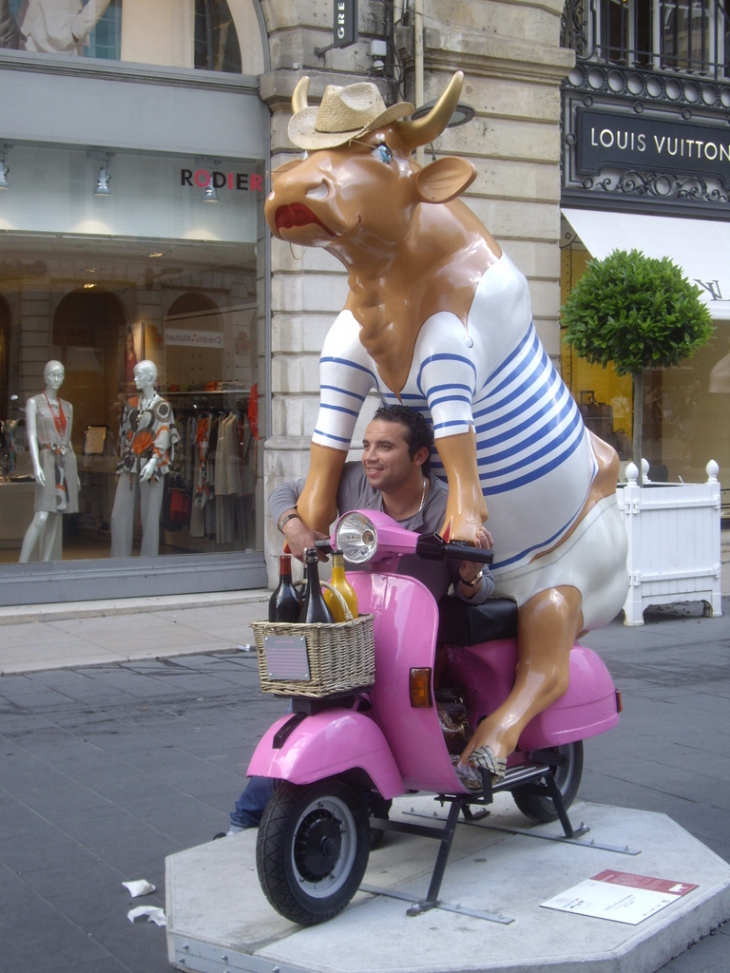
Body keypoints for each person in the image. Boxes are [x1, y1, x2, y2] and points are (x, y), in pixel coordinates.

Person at [224, 405, 493, 834]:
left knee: (382, 712)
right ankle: (250, 817)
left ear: (419, 456)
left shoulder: (446, 504)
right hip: (348, 632)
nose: (370, 456)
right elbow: (286, 490)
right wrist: (293, 526)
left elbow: (481, 583)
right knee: (310, 707)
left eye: (385, 446)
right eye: (366, 445)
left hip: (410, 639)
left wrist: (469, 576)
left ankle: (359, 805)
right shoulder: (352, 482)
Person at [110, 360, 178, 558]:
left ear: (150, 378)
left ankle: (148, 562)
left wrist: (154, 460)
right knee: (118, 515)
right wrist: (120, 465)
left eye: (138, 375)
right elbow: (124, 436)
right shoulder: (130, 404)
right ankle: (119, 561)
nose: (134, 379)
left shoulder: (162, 406)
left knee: (149, 518)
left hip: (152, 464)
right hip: (130, 463)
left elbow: (163, 435)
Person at [19, 360, 79, 563]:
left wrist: (75, 473)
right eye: (52, 374)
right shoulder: (34, 403)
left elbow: (68, 439)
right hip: (46, 458)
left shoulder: (68, 406)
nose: (56, 379)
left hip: (65, 461)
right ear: (45, 376)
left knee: (56, 515)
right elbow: (32, 435)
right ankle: (21, 564)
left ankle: (44, 563)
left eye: (60, 375)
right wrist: (36, 465)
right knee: (42, 514)